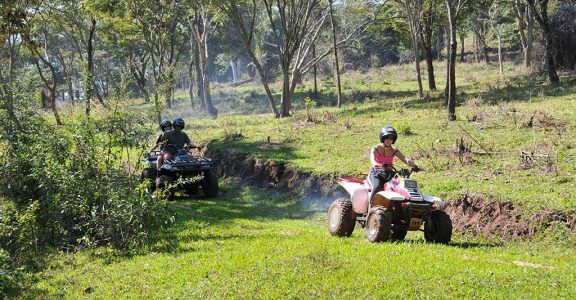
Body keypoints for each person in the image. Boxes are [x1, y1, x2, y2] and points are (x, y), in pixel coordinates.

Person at [367, 126, 419, 202]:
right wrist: (376, 164)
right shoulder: (376, 148)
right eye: (387, 137)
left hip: (389, 175)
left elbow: (405, 159)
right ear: (382, 137)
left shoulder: (394, 150)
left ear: (393, 140)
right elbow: (372, 158)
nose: (389, 140)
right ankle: (370, 207)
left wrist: (415, 166)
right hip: (376, 174)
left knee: (399, 187)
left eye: (391, 138)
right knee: (377, 186)